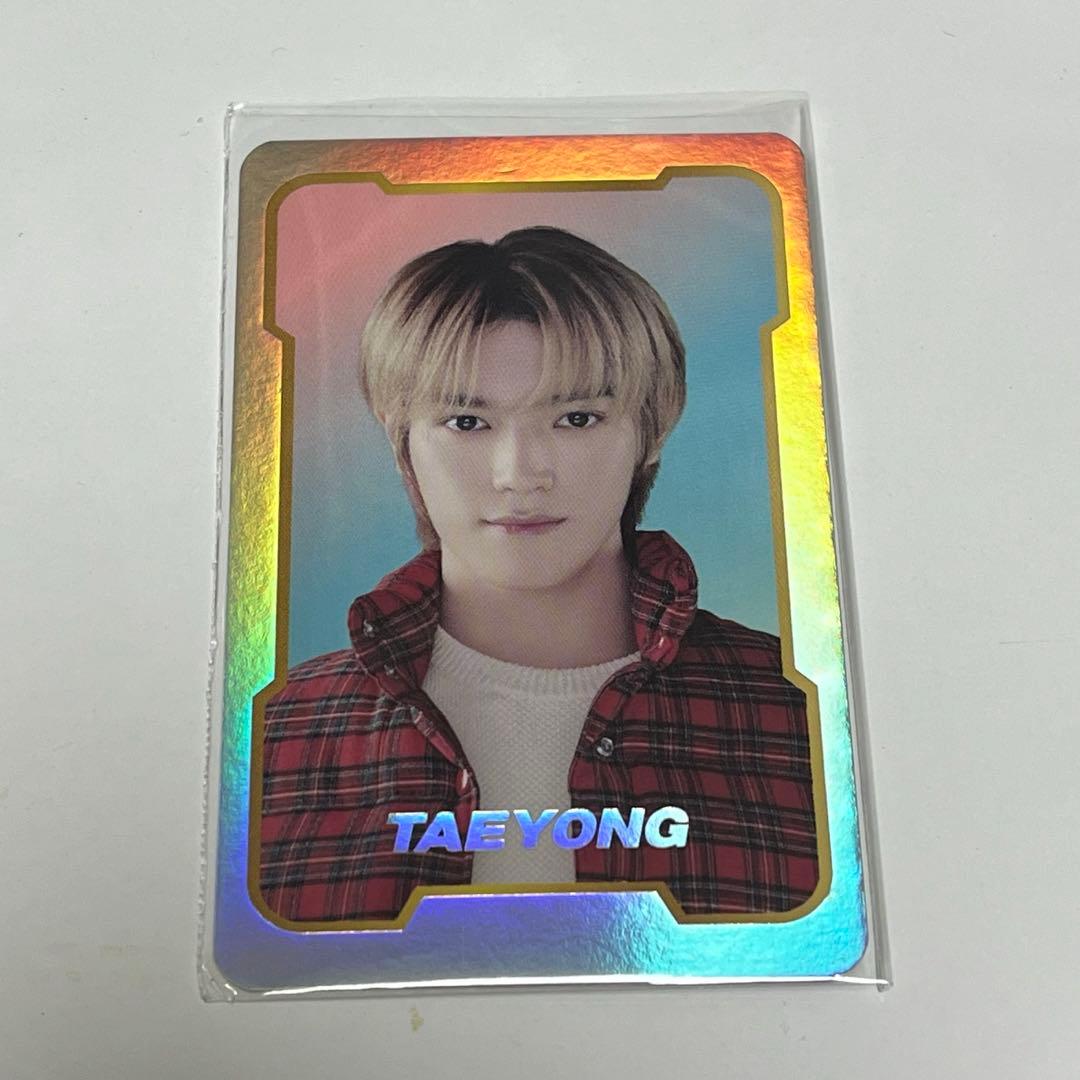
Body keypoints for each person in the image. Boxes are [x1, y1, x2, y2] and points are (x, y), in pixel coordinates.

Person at [258, 225, 819, 923]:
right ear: (403, 445)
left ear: (650, 431)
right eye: (467, 422)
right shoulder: (277, 733)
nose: (520, 474)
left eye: (577, 418)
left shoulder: (800, 713)